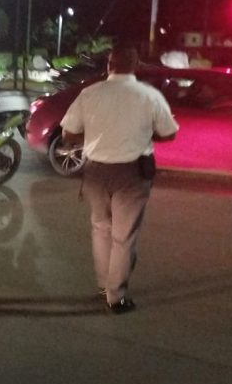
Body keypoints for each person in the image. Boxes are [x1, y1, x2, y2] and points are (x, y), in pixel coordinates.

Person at [59, 45, 178, 314]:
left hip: (95, 172)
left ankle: (104, 285)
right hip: (132, 173)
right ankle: (116, 296)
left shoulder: (90, 93)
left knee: (101, 228)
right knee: (123, 237)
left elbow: (68, 134)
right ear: (135, 65)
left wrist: (93, 138)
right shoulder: (149, 96)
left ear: (109, 65)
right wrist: (145, 134)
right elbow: (169, 133)